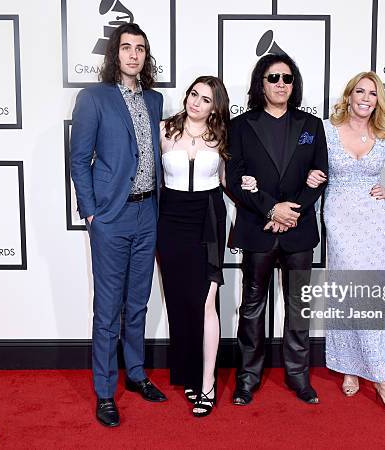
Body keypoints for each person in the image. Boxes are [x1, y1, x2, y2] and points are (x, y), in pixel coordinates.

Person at [306, 71, 385, 415]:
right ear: (349, 95)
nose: (365, 98)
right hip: (339, 217)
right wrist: (311, 175)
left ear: (378, 100)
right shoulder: (326, 131)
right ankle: (348, 366)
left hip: (372, 220)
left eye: (372, 93)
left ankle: (382, 378)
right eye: (360, 91)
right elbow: (305, 166)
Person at [70, 23, 167, 428]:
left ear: (145, 56)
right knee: (108, 308)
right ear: (115, 54)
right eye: (126, 48)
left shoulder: (156, 100)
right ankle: (105, 392)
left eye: (140, 49)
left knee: (138, 300)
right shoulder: (93, 98)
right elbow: (79, 159)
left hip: (149, 213)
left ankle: (137, 374)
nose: (133, 55)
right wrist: (91, 213)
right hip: (111, 215)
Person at [225, 53, 329, 406]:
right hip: (258, 227)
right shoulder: (241, 126)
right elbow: (235, 180)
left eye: (287, 78)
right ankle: (248, 378)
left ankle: (299, 376)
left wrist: (291, 213)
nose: (281, 84)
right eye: (273, 78)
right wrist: (271, 208)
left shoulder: (311, 126)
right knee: (252, 306)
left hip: (298, 232)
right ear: (261, 83)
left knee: (298, 305)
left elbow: (319, 175)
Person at [157, 76, 244, 417]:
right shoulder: (164, 130)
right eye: (194, 94)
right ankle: (190, 374)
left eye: (205, 99)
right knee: (180, 301)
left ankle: (207, 384)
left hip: (207, 218)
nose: (196, 102)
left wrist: (261, 206)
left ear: (215, 106)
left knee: (207, 301)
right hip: (170, 219)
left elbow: (228, 182)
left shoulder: (223, 136)